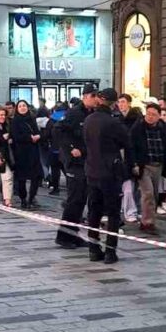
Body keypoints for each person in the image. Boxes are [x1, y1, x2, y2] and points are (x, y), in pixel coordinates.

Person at [83, 88, 130, 263]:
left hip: (92, 170)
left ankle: (93, 249)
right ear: (114, 103)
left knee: (94, 212)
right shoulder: (113, 123)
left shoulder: (88, 120)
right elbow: (125, 142)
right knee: (113, 214)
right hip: (110, 173)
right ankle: (110, 251)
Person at [53, 84, 98, 248]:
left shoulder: (94, 114)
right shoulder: (74, 113)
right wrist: (71, 149)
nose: (95, 99)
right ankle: (63, 236)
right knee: (74, 199)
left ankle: (74, 234)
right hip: (74, 163)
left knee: (81, 201)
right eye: (92, 96)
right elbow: (58, 130)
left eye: (96, 95)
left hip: (87, 161)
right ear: (85, 96)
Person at [130, 101, 166, 235]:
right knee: (147, 193)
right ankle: (147, 222)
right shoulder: (138, 127)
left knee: (154, 194)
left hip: (158, 165)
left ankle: (149, 220)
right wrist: (134, 164)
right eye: (148, 114)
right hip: (144, 165)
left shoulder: (162, 127)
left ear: (159, 116)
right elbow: (131, 147)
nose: (149, 117)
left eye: (153, 115)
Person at [11, 99, 44, 209]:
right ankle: (23, 199)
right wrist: (29, 138)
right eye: (20, 106)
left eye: (24, 105)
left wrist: (38, 136)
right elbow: (15, 137)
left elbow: (37, 132)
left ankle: (31, 198)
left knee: (36, 176)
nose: (22, 108)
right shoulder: (15, 121)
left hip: (33, 152)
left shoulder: (32, 119)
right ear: (17, 109)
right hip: (21, 153)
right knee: (22, 178)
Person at [119, 95, 142, 223]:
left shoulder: (136, 119)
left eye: (123, 102)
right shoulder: (117, 118)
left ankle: (133, 210)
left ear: (129, 103)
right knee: (128, 186)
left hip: (135, 156)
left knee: (136, 187)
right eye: (119, 102)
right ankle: (130, 211)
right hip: (124, 157)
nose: (121, 105)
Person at [44, 102, 66, 194]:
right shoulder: (68, 118)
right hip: (65, 149)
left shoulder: (51, 120)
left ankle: (56, 188)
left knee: (55, 170)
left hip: (54, 149)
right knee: (66, 169)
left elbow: (47, 134)